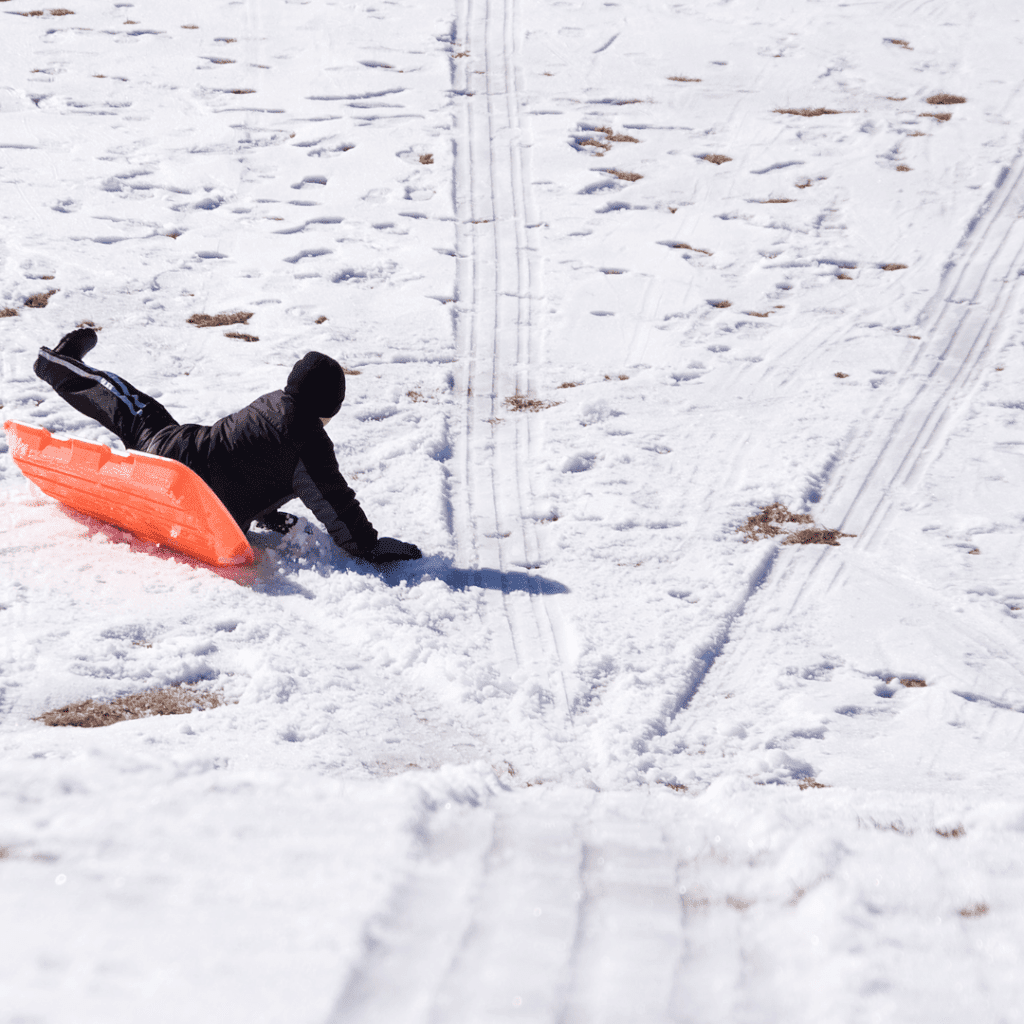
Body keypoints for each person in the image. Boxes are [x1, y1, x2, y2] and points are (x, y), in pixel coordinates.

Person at [33, 326, 422, 564]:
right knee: (143, 412)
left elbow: (248, 461)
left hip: (170, 454)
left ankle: (61, 365)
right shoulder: (310, 444)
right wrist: (370, 546)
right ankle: (58, 362)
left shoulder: (274, 402)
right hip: (183, 475)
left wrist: (266, 513)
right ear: (328, 406)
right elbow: (335, 503)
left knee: (129, 405)